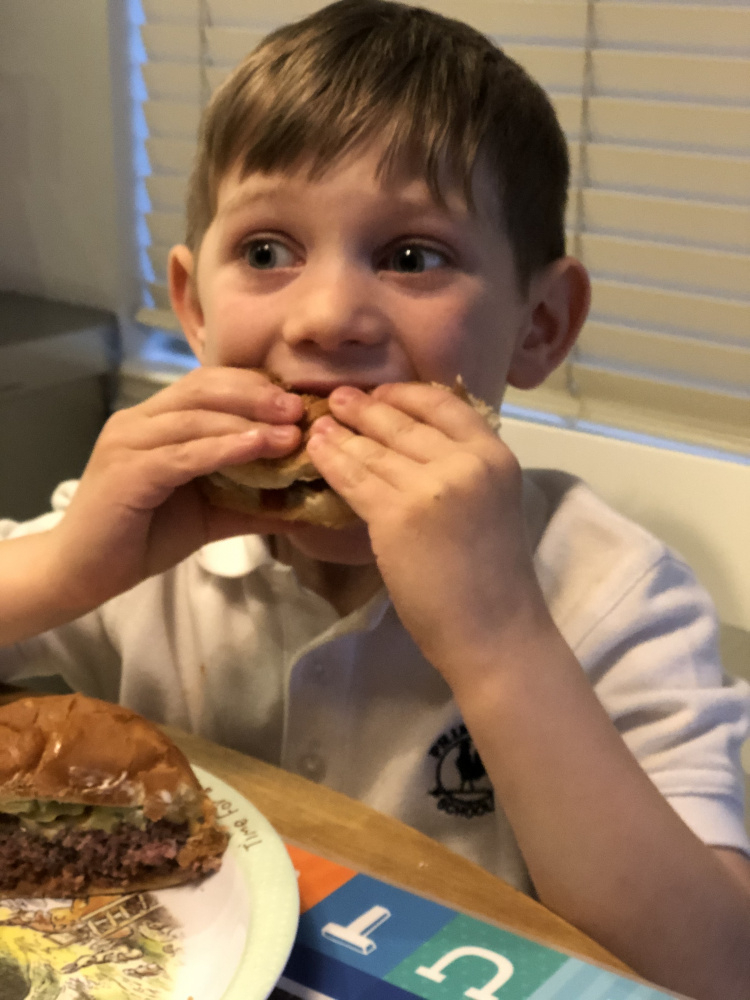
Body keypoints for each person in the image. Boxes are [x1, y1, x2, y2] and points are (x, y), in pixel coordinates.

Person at [1, 1, 749, 994]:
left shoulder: (611, 591)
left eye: (411, 257)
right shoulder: (143, 539)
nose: (327, 318)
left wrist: (498, 637)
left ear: (539, 325)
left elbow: (715, 966)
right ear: (194, 306)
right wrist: (63, 569)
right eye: (266, 252)